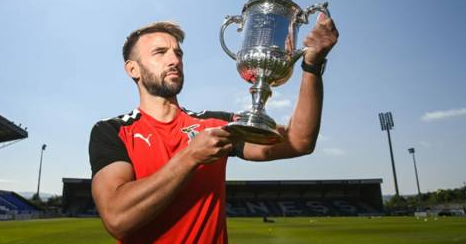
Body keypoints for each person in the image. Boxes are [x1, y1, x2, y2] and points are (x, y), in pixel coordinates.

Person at [89, 17, 338, 243]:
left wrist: (312, 67)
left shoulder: (215, 125)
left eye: (178, 53)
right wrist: (190, 156)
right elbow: (117, 218)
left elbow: (299, 140)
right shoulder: (111, 131)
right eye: (160, 52)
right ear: (133, 69)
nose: (174, 60)